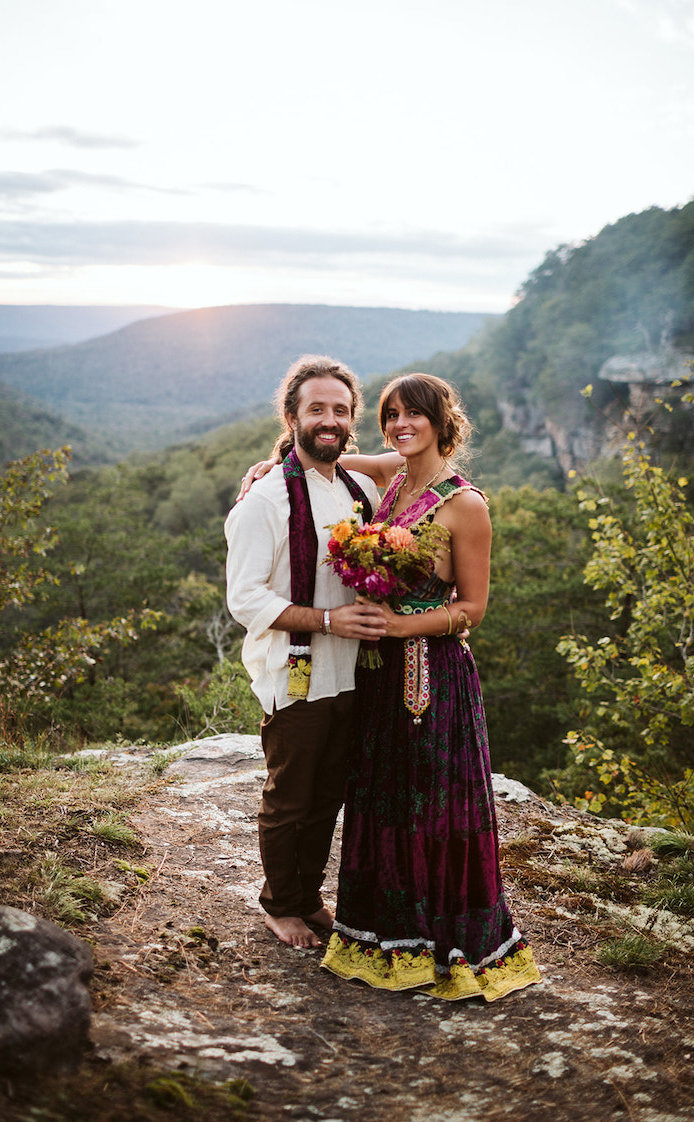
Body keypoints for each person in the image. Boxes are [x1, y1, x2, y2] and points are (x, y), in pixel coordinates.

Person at [310, 373, 542, 1000]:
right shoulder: (394, 475)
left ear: (444, 422)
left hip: (429, 678)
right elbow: (342, 453)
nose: (400, 425)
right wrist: (277, 458)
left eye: (415, 415)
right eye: (390, 415)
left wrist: (399, 624)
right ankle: (381, 938)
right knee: (379, 798)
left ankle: (441, 946)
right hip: (377, 677)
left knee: (428, 806)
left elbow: (474, 608)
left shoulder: (463, 504)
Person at [224, 355, 387, 949]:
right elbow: (244, 599)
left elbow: (421, 457)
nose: (329, 420)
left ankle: (308, 896)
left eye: (340, 411)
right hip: (293, 671)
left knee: (328, 797)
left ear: (352, 421)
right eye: (316, 408)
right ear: (292, 415)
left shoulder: (360, 490)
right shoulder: (265, 502)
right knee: (290, 796)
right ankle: (279, 904)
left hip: (353, 674)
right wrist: (326, 619)